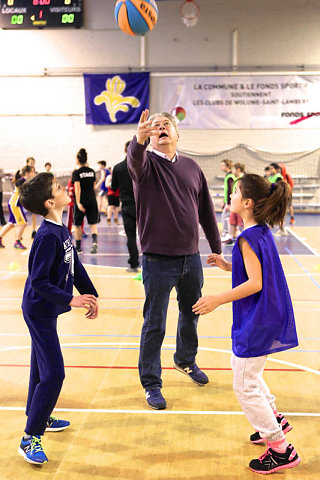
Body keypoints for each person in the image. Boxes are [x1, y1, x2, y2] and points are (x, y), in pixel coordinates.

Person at [192, 173, 300, 475]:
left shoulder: (246, 238)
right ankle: (274, 419)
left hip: (260, 315)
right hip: (268, 312)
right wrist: (229, 265)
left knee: (243, 383)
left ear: (247, 202)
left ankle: (280, 449)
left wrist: (217, 298)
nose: (231, 196)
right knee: (249, 373)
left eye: (235, 192)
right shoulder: (259, 232)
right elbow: (254, 272)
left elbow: (254, 283)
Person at [127, 109, 222, 410]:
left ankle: (185, 360)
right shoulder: (144, 165)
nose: (161, 128)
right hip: (156, 259)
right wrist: (138, 141)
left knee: (191, 313)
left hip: (190, 258)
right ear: (151, 136)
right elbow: (134, 159)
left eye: (166, 125)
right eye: (156, 126)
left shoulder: (193, 167)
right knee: (154, 323)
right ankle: (151, 382)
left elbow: (206, 210)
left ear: (177, 134)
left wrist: (216, 248)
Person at [18, 172, 98, 465]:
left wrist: (90, 293)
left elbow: (74, 262)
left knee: (41, 369)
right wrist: (72, 299)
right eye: (58, 187)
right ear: (50, 202)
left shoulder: (60, 228)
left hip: (46, 310)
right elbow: (38, 281)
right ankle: (30, 438)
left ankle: (39, 414)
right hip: (39, 311)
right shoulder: (47, 236)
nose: (65, 188)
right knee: (54, 374)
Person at [111, 140, 140, 272]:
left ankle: (134, 264)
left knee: (131, 236)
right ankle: (150, 262)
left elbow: (114, 188)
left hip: (127, 206)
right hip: (143, 206)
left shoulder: (118, 168)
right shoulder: (143, 166)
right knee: (147, 235)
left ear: (124, 150)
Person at [0, 165, 35, 249]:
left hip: (14, 203)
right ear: (27, 173)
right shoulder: (21, 181)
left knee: (11, 224)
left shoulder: (25, 181)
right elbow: (22, 191)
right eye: (33, 171)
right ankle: (17, 242)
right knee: (23, 223)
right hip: (15, 204)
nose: (34, 173)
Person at [72, 148, 99, 254]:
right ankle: (94, 243)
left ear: (78, 159)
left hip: (81, 201)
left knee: (77, 225)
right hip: (92, 200)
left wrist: (78, 203)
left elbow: (77, 188)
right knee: (93, 224)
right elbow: (94, 188)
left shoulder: (77, 172)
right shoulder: (92, 172)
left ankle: (78, 248)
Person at [229, 162, 245, 243]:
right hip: (234, 203)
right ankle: (231, 237)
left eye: (234, 169)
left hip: (240, 204)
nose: (232, 171)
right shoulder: (235, 178)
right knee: (232, 220)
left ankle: (245, 238)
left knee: (241, 222)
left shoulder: (244, 179)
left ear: (238, 170)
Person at [220, 159, 236, 243]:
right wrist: (224, 201)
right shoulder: (227, 176)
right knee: (225, 217)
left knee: (226, 218)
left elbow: (230, 190)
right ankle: (226, 234)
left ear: (228, 166)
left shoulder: (230, 177)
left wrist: (229, 203)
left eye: (223, 165)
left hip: (230, 202)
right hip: (227, 201)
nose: (221, 167)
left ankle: (227, 234)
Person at [26, 157, 38, 239]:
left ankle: (34, 230)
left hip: (32, 196)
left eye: (33, 163)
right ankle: (19, 233)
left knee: (34, 213)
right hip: (25, 196)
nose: (32, 164)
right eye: (31, 163)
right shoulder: (24, 173)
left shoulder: (35, 173)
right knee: (21, 216)